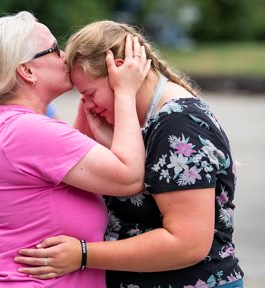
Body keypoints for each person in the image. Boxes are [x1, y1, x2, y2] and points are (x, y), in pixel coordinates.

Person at [15, 21, 244, 288]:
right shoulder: (139, 122)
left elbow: (188, 243)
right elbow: (70, 182)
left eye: (89, 94)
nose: (87, 105)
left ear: (121, 72)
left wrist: (83, 254)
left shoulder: (178, 124)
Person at [0, 11, 150, 287]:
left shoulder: (5, 124)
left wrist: (89, 100)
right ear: (27, 70)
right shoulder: (27, 131)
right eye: (53, 50)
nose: (65, 55)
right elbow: (129, 177)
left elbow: (68, 169)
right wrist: (125, 91)